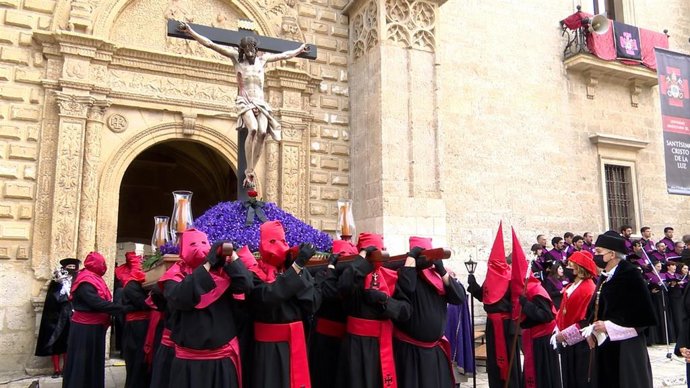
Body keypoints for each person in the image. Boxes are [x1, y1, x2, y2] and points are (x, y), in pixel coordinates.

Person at [179, 22, 308, 188]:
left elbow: (284, 55)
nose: (250, 53)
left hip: (260, 102)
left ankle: (251, 169)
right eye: (247, 51)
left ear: (255, 49)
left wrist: (299, 50)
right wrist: (190, 32)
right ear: (243, 51)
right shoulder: (236, 59)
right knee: (253, 129)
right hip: (245, 101)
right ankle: (249, 169)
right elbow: (210, 44)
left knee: (262, 132)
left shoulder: (263, 60)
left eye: (252, 50)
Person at [163, 229, 253, 388]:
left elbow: (246, 284)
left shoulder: (224, 275)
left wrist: (231, 256)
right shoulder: (175, 276)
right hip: (187, 363)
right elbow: (180, 297)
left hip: (221, 359)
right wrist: (207, 264)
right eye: (192, 243)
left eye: (204, 243)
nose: (200, 247)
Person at [249, 220, 320, 388]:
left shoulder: (293, 269)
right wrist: (296, 267)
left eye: (283, 241)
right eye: (272, 241)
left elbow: (312, 302)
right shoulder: (254, 273)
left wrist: (295, 267)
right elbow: (268, 296)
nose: (279, 246)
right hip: (268, 349)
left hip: (295, 343)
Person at [336, 232, 412, 388]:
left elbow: (405, 310)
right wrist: (361, 259)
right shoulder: (353, 275)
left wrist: (385, 301)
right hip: (356, 346)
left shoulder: (392, 276)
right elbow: (344, 287)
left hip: (383, 343)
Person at [584, 230, 656, 388]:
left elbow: (642, 316)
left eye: (598, 252)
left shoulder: (631, 276)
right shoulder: (606, 276)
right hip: (605, 343)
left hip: (627, 346)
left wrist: (608, 326)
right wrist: (592, 328)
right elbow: (598, 307)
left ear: (611, 254)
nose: (594, 255)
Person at [393, 236, 466, 388]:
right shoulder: (405, 275)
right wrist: (412, 259)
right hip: (411, 352)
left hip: (435, 350)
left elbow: (459, 297)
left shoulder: (438, 276)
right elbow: (407, 287)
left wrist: (441, 270)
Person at [467, 223, 522, 388]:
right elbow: (486, 298)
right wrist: (474, 286)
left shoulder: (511, 276)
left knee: (509, 360)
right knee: (493, 361)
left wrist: (515, 325)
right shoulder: (491, 277)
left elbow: (517, 301)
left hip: (506, 325)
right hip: (492, 324)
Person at [62, 252, 123, 388]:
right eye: (103, 263)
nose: (104, 266)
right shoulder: (85, 280)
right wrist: (121, 308)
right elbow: (95, 303)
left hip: (93, 328)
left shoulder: (92, 277)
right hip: (85, 329)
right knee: (82, 362)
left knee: (91, 361)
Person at [510, 230, 561, 388]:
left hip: (542, 340)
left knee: (543, 376)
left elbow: (545, 315)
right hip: (533, 337)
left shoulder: (536, 291)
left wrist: (526, 304)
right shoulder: (526, 289)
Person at [309, 240, 354, 388]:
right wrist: (331, 270)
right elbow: (329, 292)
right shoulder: (322, 274)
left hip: (345, 338)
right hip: (324, 339)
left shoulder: (351, 279)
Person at [553, 251, 598, 388]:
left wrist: (565, 335)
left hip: (581, 342)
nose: (568, 267)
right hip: (567, 341)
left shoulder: (588, 288)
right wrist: (557, 329)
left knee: (581, 378)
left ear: (580, 268)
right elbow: (563, 311)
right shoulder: (570, 286)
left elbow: (586, 319)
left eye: (572, 264)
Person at [35, 258, 80, 378]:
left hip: (73, 315)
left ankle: (66, 368)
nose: (71, 269)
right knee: (55, 343)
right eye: (68, 267)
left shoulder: (79, 281)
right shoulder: (56, 281)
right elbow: (52, 298)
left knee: (68, 342)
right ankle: (56, 369)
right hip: (57, 316)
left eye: (73, 267)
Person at [116, 251, 151, 388]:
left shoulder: (131, 284)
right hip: (138, 327)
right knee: (137, 360)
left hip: (138, 325)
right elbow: (143, 303)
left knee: (138, 360)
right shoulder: (131, 286)